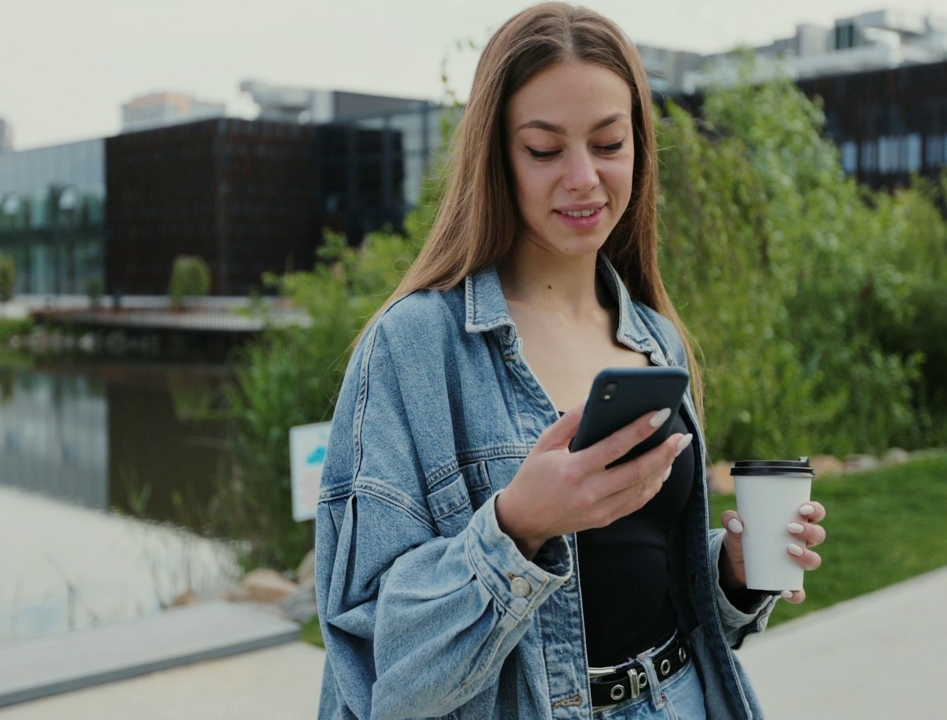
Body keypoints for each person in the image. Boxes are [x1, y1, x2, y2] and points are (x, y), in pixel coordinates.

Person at [313, 3, 827, 718]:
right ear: (497, 157)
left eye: (609, 143)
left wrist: (732, 576)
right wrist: (518, 525)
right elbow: (375, 667)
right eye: (546, 149)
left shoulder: (655, 339)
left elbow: (640, 581)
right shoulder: (413, 348)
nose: (584, 178)